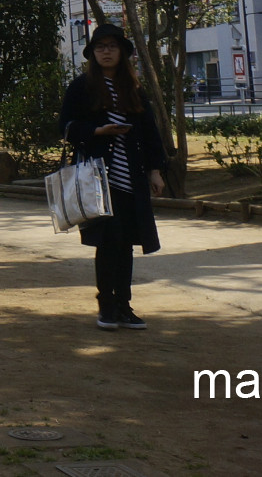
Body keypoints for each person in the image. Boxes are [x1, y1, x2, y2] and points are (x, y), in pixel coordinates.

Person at [58, 23, 170, 331]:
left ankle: (125, 305)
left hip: (130, 177)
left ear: (122, 52)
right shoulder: (81, 87)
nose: (106, 52)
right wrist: (97, 131)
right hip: (97, 178)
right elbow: (65, 126)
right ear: (93, 54)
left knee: (127, 243)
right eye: (100, 47)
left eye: (112, 46)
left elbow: (150, 132)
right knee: (109, 241)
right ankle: (106, 306)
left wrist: (155, 171)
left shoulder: (133, 88)